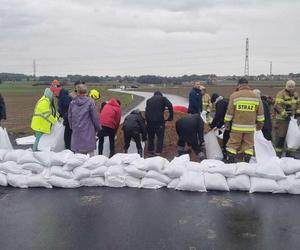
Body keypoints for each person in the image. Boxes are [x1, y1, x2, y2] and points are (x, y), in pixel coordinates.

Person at [224, 78, 264, 163]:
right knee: (248, 146)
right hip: (250, 128)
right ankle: (246, 164)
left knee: (233, 145)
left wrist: (227, 123)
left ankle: (231, 163)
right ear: (248, 85)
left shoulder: (234, 95)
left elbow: (229, 112)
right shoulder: (256, 96)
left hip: (237, 127)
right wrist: (260, 125)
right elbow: (260, 113)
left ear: (239, 85)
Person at [68, 84, 101, 155]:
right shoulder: (90, 102)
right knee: (90, 155)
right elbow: (95, 117)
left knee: (78, 157)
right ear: (86, 92)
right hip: (88, 131)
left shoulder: (72, 103)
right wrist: (98, 127)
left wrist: (72, 127)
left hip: (77, 131)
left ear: (77, 91)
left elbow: (70, 116)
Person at [273, 80, 300, 157]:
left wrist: (297, 113)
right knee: (281, 137)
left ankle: (289, 155)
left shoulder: (296, 95)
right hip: (282, 120)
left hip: (292, 120)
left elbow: (298, 105)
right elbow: (277, 106)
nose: (291, 88)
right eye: (289, 87)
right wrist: (285, 115)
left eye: (292, 87)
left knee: (291, 137)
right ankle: (278, 155)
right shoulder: (281, 94)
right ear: (286, 86)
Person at [145, 91, 173, 156]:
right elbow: (170, 105)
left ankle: (150, 151)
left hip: (149, 121)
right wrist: (170, 116)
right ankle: (158, 152)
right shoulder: (163, 98)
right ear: (161, 95)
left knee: (151, 137)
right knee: (160, 137)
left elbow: (147, 110)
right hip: (159, 121)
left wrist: (147, 120)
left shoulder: (148, 100)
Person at [210, 93, 230, 157]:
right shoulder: (224, 101)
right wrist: (218, 126)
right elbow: (223, 117)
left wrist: (211, 126)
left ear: (214, 100)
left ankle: (225, 151)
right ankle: (226, 149)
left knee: (226, 135)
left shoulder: (220, 103)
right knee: (227, 134)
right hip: (231, 121)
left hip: (230, 122)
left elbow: (218, 116)